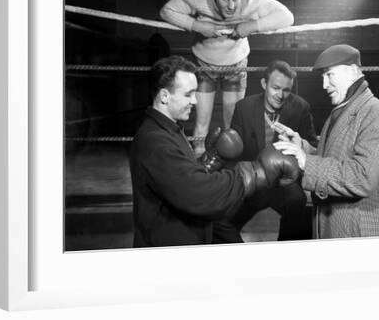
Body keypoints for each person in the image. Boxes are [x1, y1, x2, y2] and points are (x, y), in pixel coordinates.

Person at [129, 55, 301, 247]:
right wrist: (256, 172)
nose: (195, 101)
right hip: (169, 251)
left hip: (182, 236)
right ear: (164, 96)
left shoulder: (169, 130)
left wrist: (211, 159)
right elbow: (199, 194)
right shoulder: (155, 142)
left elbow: (180, 180)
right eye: (188, 94)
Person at [159, 0, 294, 156]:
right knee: (202, 120)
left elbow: (287, 17)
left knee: (233, 122)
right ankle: (198, 166)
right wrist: (196, 25)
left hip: (236, 65)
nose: (231, 6)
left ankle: (230, 169)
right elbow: (166, 11)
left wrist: (252, 26)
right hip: (204, 64)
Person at [273, 44, 379, 239]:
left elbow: (363, 177)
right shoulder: (342, 110)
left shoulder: (378, 113)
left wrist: (306, 162)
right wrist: (302, 148)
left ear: (351, 71)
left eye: (330, 75)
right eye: (322, 77)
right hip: (338, 228)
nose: (324, 85)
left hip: (363, 234)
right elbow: (334, 157)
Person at [213, 60, 317, 243]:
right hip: (253, 181)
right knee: (219, 219)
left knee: (297, 202)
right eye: (275, 88)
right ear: (264, 84)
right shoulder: (244, 107)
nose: (281, 95)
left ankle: (284, 255)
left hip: (283, 183)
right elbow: (235, 152)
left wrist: (300, 144)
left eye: (286, 90)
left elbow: (313, 146)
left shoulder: (301, 107)